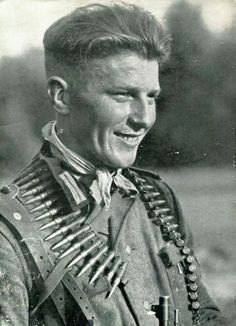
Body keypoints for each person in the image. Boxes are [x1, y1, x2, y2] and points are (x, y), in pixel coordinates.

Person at [0, 3, 228, 326]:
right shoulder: (10, 231)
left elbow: (200, 313)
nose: (144, 118)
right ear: (61, 98)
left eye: (151, 97)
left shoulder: (158, 200)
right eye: (123, 95)